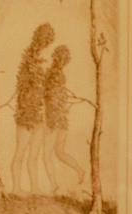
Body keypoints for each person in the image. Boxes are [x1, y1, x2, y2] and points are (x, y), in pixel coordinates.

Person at [11, 23, 54, 195]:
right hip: (27, 114)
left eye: (48, 42)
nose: (47, 45)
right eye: (45, 41)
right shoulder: (29, 58)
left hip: (39, 114)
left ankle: (35, 187)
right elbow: (22, 88)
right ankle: (16, 188)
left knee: (34, 154)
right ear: (39, 39)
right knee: (20, 151)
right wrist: (27, 110)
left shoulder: (44, 62)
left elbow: (44, 89)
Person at [43, 44, 86, 192]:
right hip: (61, 120)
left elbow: (52, 99)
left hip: (55, 120)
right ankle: (80, 170)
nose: (61, 61)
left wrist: (51, 120)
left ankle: (54, 184)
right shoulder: (59, 75)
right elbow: (59, 98)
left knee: (46, 154)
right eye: (60, 58)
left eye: (63, 60)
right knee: (59, 152)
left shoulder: (53, 74)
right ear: (56, 58)